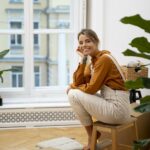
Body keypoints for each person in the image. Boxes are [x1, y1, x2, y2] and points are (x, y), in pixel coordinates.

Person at [66, 29, 131, 150]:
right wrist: (83, 59)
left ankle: (92, 137)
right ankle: (92, 136)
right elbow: (78, 82)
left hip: (118, 110)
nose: (84, 45)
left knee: (72, 94)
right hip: (112, 104)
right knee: (74, 92)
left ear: (96, 42)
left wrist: (72, 87)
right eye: (81, 42)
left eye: (88, 41)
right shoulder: (93, 62)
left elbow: (91, 89)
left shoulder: (104, 59)